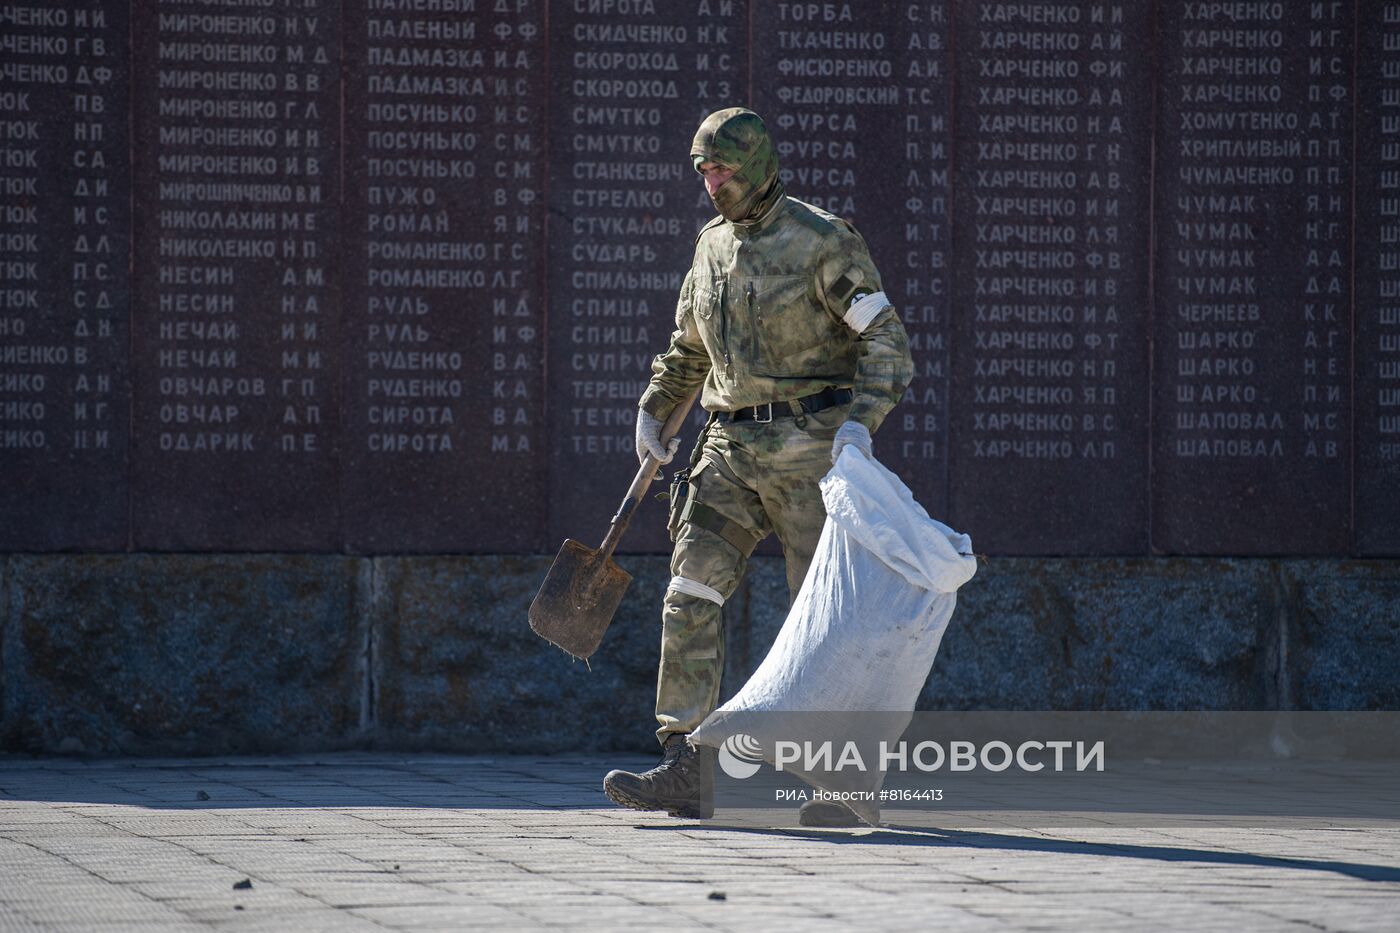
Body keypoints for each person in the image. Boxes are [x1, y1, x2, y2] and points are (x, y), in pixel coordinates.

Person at [602, 108, 914, 826]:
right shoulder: (710, 246)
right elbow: (688, 348)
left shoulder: (821, 242)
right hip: (729, 446)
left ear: (760, 164)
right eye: (705, 171)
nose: (713, 183)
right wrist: (655, 410)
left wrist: (858, 430)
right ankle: (687, 759)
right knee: (690, 587)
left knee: (823, 614)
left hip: (813, 444)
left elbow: (888, 345)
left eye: (725, 169)